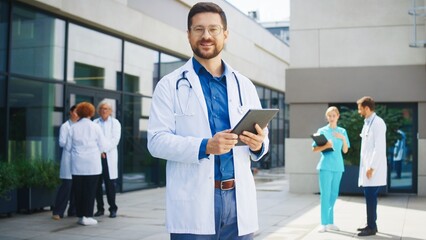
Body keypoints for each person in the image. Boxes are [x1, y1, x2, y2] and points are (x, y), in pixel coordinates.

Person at [147, 2, 270, 239]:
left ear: (225, 34)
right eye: (198, 29)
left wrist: (259, 144)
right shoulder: (169, 85)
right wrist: (205, 146)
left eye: (213, 29)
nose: (206, 36)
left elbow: (263, 139)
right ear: (188, 34)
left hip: (238, 205)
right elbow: (156, 141)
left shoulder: (244, 85)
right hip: (194, 205)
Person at [65, 102, 109, 226]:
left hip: (77, 165)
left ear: (78, 112)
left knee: (78, 191)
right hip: (92, 165)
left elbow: (68, 147)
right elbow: (103, 145)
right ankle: (88, 216)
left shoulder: (73, 127)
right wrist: (101, 151)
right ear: (91, 112)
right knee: (90, 191)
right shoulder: (95, 127)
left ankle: (80, 216)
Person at [312, 106, 350, 233]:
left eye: (334, 115)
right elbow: (314, 149)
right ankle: (323, 223)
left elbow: (345, 150)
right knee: (325, 195)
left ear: (338, 116)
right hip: (325, 166)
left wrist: (343, 138)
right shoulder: (322, 131)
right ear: (327, 117)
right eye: (329, 116)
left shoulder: (342, 131)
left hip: (338, 167)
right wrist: (326, 145)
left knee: (334, 194)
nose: (332, 118)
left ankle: (330, 222)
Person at [356, 96, 387, 237]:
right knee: (369, 198)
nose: (359, 112)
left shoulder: (378, 123)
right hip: (368, 168)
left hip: (373, 170)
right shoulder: (367, 122)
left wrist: (372, 167)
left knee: (371, 198)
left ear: (367, 108)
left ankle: (372, 227)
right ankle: (370, 224)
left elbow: (379, 148)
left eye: (360, 109)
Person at [93, 101, 121, 218]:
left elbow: (115, 140)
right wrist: (100, 151)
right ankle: (100, 208)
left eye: (107, 109)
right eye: (102, 108)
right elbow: (93, 139)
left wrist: (103, 150)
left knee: (110, 185)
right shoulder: (94, 123)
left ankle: (113, 208)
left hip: (108, 156)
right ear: (99, 111)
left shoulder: (115, 123)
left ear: (110, 111)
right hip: (97, 157)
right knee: (97, 184)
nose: (104, 110)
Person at [52, 105, 79, 220]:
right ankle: (58, 212)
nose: (77, 114)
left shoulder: (79, 126)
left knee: (76, 187)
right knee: (66, 186)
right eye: (76, 112)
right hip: (68, 160)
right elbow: (62, 143)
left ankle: (73, 211)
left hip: (78, 161)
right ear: (71, 112)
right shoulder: (65, 126)